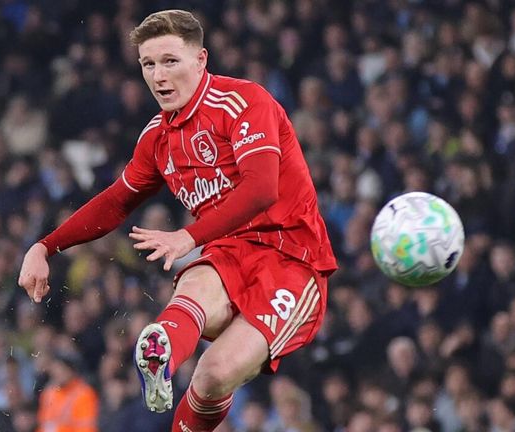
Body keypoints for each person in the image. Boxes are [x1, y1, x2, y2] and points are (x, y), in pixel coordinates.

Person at [17, 9, 337, 432]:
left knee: (213, 376)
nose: (158, 76)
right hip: (227, 253)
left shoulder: (243, 102)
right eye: (148, 64)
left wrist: (188, 236)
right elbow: (115, 201)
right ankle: (161, 350)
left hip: (292, 260)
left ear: (201, 60)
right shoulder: (156, 138)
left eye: (170, 61)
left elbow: (262, 189)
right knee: (195, 285)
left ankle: (170, 345)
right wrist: (45, 246)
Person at [36, 350, 98, 432]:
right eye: (55, 369)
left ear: (72, 370)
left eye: (62, 369)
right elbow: (43, 424)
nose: (57, 373)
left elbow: (86, 428)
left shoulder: (84, 394)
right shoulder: (48, 393)